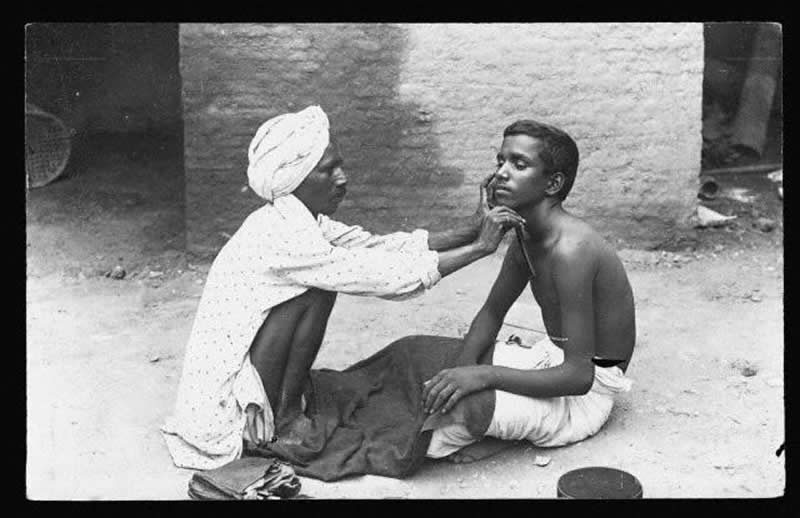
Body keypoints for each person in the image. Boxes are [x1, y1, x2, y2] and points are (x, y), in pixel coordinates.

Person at [161, 106, 525, 470]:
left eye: (339, 166)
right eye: (327, 170)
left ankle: (285, 409)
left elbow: (376, 246)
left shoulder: (297, 219)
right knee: (316, 289)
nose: (342, 179)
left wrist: (473, 227)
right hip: (225, 410)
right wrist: (479, 249)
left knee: (317, 286)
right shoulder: (280, 236)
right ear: (295, 179)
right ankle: (281, 422)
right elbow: (377, 276)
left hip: (243, 378)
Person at [421, 119, 636, 463]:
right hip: (550, 359)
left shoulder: (572, 250)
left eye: (518, 165)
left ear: (553, 183)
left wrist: (479, 377)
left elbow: (580, 376)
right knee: (422, 356)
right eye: (500, 162)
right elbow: (492, 314)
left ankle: (510, 430)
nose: (501, 174)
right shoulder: (525, 237)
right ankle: (503, 425)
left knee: (459, 413)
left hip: (584, 394)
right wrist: (460, 373)